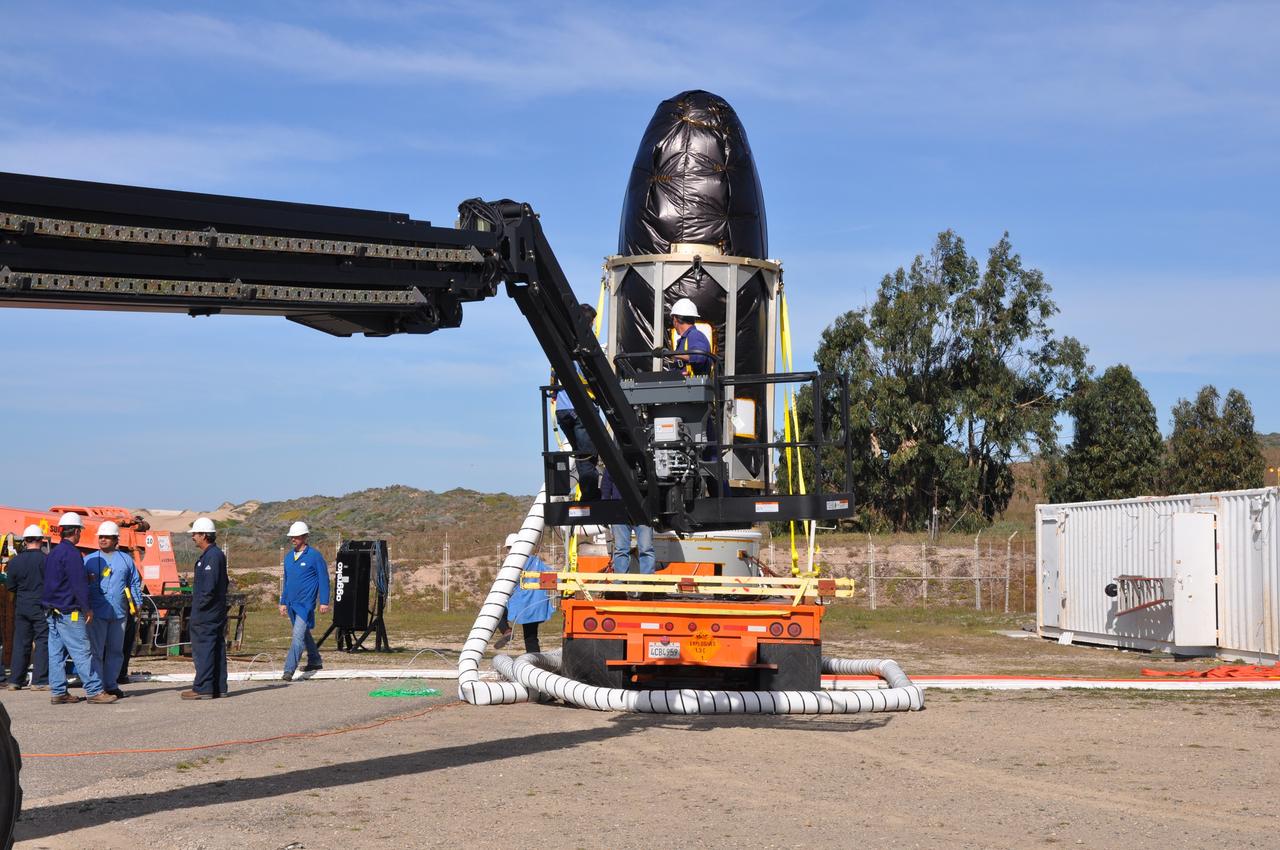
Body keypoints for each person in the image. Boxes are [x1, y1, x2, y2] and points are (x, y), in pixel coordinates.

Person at [41, 513, 115, 704]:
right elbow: (77, 585)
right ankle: (95, 691)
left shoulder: (54, 553)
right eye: (80, 531)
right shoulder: (72, 553)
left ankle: (58, 691)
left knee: (56, 653)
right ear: (75, 531)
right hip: (69, 611)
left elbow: (57, 580)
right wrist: (87, 608)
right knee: (82, 651)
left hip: (51, 610)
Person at [84, 521, 144, 698]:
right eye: (100, 537)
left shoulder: (126, 560)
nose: (102, 540)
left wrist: (138, 602)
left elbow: (133, 583)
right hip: (96, 613)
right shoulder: (89, 560)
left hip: (118, 613)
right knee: (96, 650)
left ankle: (111, 684)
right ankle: (97, 686)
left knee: (115, 650)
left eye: (106, 537)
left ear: (115, 539)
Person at [553, 303, 601, 501]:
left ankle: (588, 493)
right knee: (588, 454)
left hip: (562, 410)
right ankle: (590, 495)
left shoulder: (559, 341)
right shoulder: (583, 345)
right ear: (588, 323)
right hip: (580, 408)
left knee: (581, 454)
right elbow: (589, 375)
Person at [278, 521, 330, 682]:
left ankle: (288, 670)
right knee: (303, 633)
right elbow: (287, 582)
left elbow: (324, 579)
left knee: (297, 637)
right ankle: (315, 660)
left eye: (297, 536)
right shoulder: (288, 558)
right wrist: (283, 602)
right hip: (292, 604)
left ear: (305, 537)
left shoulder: (314, 556)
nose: (293, 539)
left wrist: (324, 601)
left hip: (306, 604)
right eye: (292, 536)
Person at [182, 517, 228, 700]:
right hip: (212, 611)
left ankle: (203, 687)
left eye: (195, 534)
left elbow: (209, 588)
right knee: (215, 647)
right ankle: (218, 687)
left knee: (204, 648)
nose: (193, 537)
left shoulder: (212, 556)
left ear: (204, 535)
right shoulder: (211, 556)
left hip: (207, 613)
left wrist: (199, 609)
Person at [1, 526, 49, 690]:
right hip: (41, 605)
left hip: (21, 606)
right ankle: (40, 681)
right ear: (41, 540)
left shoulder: (15, 562)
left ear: (25, 541)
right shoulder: (46, 560)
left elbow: (11, 586)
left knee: (21, 642)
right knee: (43, 641)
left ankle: (15, 680)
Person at [493, 533, 554, 652]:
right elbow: (551, 576)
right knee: (531, 637)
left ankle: (506, 631)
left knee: (496, 612)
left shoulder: (511, 563)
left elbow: (504, 584)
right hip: (535, 605)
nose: (508, 551)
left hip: (520, 603)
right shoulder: (536, 561)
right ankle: (534, 662)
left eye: (508, 548)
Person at [601, 469, 657, 581]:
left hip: (642, 511)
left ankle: (647, 586)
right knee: (622, 549)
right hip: (620, 510)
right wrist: (605, 508)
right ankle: (620, 587)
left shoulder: (644, 457)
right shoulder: (613, 458)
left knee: (645, 549)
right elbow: (606, 485)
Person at [669, 297, 712, 377]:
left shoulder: (694, 335)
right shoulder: (685, 339)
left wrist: (671, 354)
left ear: (675, 319)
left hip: (693, 387)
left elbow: (699, 356)